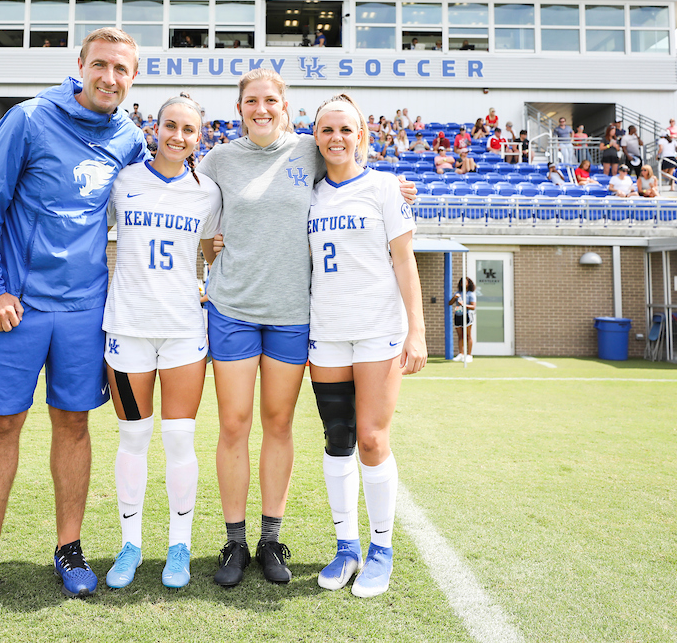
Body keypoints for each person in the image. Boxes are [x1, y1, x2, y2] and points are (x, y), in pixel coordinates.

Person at [0, 28, 148, 619]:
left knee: (74, 425)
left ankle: (70, 550)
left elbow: (166, 188)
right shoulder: (29, 119)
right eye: (101, 65)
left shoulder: (129, 137)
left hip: (84, 309)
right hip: (16, 306)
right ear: (79, 66)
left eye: (122, 70)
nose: (110, 78)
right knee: (2, 427)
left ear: (134, 79)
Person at [195, 69, 415, 589]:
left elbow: (352, 160)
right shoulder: (217, 159)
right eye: (252, 100)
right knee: (233, 425)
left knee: (279, 423)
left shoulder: (309, 150)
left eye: (271, 99)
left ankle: (272, 539)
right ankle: (234, 542)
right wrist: (212, 254)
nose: (262, 108)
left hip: (296, 314)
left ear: (286, 105)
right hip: (233, 310)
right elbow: (199, 218)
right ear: (240, 107)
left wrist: (398, 187)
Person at [306, 93, 426, 598]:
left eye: (346, 130)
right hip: (326, 330)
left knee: (373, 439)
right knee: (338, 437)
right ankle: (346, 546)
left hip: (377, 330)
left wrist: (416, 329)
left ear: (361, 136)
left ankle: (381, 549)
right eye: (327, 130)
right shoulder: (307, 193)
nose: (336, 138)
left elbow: (404, 261)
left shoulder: (382, 187)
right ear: (315, 137)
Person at [101, 93, 221, 591]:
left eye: (189, 130)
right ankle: (130, 544)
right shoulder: (123, 181)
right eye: (170, 125)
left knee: (179, 440)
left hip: (182, 332)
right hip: (127, 325)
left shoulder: (208, 192)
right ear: (155, 128)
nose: (178, 136)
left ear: (199, 137)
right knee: (133, 438)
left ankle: (179, 544)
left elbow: (217, 250)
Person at [448, 277, 476, 363]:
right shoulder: (458, 293)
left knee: (468, 335)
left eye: (465, 282)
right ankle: (461, 354)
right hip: (458, 314)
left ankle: (469, 355)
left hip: (467, 315)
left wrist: (464, 305)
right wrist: (454, 298)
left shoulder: (470, 294)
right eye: (461, 282)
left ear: (468, 284)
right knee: (460, 336)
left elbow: (473, 307)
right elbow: (450, 303)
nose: (463, 284)